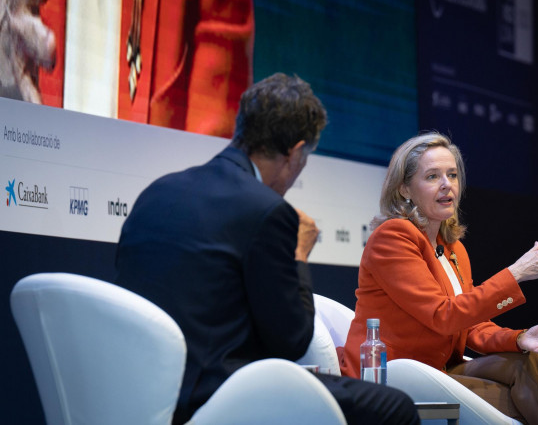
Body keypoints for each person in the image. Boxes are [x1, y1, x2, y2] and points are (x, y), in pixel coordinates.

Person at [114, 72, 419, 425]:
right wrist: (299, 254)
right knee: (396, 408)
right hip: (216, 395)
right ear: (296, 153)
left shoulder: (157, 191)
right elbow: (292, 341)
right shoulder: (266, 210)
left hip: (136, 390)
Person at [339, 131, 538, 425]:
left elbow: (471, 326)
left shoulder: (454, 248)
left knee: (532, 359)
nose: (447, 185)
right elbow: (444, 316)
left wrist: (519, 338)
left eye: (452, 175)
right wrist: (514, 274)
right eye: (432, 177)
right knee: (532, 402)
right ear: (405, 189)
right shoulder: (393, 237)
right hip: (396, 380)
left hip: (439, 372)